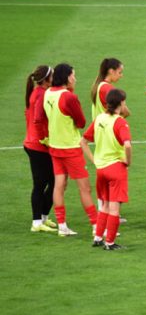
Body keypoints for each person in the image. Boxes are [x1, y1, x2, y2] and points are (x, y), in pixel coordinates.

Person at [41, 63, 97, 236]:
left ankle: (62, 226)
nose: (75, 78)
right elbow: (80, 122)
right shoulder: (68, 97)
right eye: (73, 75)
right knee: (85, 188)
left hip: (55, 147)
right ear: (66, 77)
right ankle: (96, 225)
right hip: (71, 148)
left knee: (59, 185)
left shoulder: (48, 93)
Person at [81, 89, 131, 251]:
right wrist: (127, 160)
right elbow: (127, 145)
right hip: (116, 168)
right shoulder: (120, 122)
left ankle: (97, 238)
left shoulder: (99, 119)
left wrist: (94, 160)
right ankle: (109, 242)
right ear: (121, 103)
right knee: (114, 208)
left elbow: (83, 141)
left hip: (101, 169)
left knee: (103, 206)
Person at [24, 65, 57, 233]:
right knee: (41, 183)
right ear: (46, 80)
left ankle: (43, 217)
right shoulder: (41, 94)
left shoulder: (36, 93)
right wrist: (45, 138)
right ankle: (36, 222)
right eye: (52, 75)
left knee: (54, 181)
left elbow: (28, 115)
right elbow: (37, 120)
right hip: (38, 146)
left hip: (35, 144)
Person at [91, 58, 128, 125]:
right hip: (107, 131)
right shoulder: (108, 89)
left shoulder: (98, 86)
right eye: (119, 72)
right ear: (111, 71)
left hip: (99, 130)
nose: (121, 75)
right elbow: (125, 112)